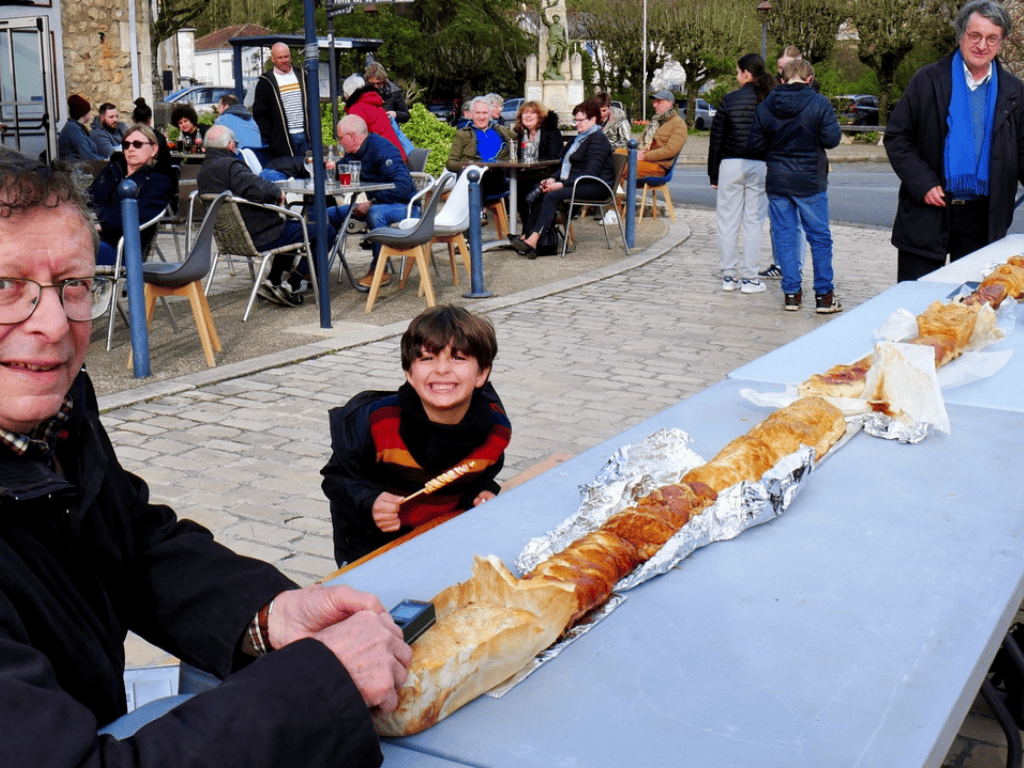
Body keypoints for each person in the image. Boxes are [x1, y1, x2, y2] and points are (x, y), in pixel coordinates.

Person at [0, 148, 411, 764]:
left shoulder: (53, 408)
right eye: (7, 286)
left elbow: (128, 541)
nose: (54, 324)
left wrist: (267, 614)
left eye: (74, 285)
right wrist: (322, 685)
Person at [322, 304, 512, 566]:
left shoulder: (495, 429)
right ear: (409, 373)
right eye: (427, 358)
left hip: (442, 536)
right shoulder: (375, 424)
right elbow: (337, 479)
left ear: (482, 374)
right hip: (372, 547)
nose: (442, 369)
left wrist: (479, 492)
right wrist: (369, 503)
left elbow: (484, 471)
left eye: (458, 358)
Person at [885, 0, 1024, 282]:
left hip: (984, 219)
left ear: (1001, 42)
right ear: (961, 34)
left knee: (972, 308)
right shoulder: (928, 79)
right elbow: (898, 136)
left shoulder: (1014, 90)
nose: (982, 45)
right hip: (928, 212)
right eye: (975, 36)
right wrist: (922, 182)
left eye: (991, 38)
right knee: (917, 306)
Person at [198, 124, 336, 306]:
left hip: (234, 238)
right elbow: (257, 186)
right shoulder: (231, 165)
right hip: (262, 235)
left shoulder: (203, 172)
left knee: (293, 225)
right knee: (326, 230)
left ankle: (273, 280)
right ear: (231, 145)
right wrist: (277, 194)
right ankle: (292, 285)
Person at [748, 58, 843, 313]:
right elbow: (832, 139)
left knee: (785, 236)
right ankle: (824, 296)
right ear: (809, 79)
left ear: (782, 79)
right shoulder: (819, 103)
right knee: (819, 238)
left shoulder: (766, 106)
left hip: (778, 179)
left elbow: (755, 144)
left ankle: (792, 293)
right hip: (811, 179)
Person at [510, 99, 615, 258]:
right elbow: (566, 164)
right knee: (541, 190)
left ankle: (534, 240)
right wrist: (552, 179)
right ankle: (529, 235)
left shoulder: (598, 140)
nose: (576, 124)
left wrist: (561, 185)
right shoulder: (579, 138)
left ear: (593, 120)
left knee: (552, 195)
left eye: (580, 120)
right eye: (575, 120)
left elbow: (591, 172)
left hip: (597, 186)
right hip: (579, 181)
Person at [709, 53, 775, 295]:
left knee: (727, 222)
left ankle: (729, 276)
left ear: (746, 74)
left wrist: (713, 174)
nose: (737, 77)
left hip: (730, 164)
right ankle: (749, 278)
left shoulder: (729, 100)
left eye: (738, 72)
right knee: (754, 223)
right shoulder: (768, 99)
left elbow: (716, 140)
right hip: (760, 165)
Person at [327, 115, 416, 288]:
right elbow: (339, 172)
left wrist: (373, 202)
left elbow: (403, 187)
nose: (339, 142)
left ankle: (380, 270)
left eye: (340, 138)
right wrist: (327, 171)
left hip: (406, 206)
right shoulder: (353, 153)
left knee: (375, 213)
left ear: (352, 136)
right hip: (376, 203)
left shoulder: (382, 149)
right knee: (328, 214)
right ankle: (316, 266)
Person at [87, 124, 176, 265]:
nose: (131, 149)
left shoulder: (159, 179)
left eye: (138, 144)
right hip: (92, 236)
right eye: (126, 145)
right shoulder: (111, 172)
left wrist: (101, 226)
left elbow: (140, 213)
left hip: (123, 248)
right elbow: (89, 199)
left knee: (71, 250)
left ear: (153, 149)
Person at [446, 96, 514, 201]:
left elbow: (518, 142)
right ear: (471, 114)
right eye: (477, 113)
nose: (481, 117)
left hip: (498, 176)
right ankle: (477, 215)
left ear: (490, 114)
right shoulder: (463, 134)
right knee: (476, 178)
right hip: (475, 178)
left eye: (485, 113)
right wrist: (470, 165)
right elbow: (450, 163)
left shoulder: (502, 131)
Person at [253, 42, 311, 159]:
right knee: (289, 172)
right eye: (280, 58)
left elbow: (312, 104)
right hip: (283, 139)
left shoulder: (302, 76)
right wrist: (272, 136)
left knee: (308, 171)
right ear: (273, 59)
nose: (284, 60)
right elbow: (260, 113)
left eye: (286, 56)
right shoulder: (266, 82)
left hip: (306, 136)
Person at [616, 89, 686, 183]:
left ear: (669, 103)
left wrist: (644, 156)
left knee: (621, 167)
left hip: (658, 166)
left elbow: (670, 151)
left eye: (658, 102)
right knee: (617, 155)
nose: (654, 105)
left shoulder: (678, 124)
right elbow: (640, 140)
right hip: (644, 159)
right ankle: (615, 195)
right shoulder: (655, 121)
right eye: (654, 102)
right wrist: (637, 151)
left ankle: (617, 197)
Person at [512, 100, 563, 223]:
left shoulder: (551, 132)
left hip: (549, 174)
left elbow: (554, 158)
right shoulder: (520, 135)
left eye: (532, 113)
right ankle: (526, 229)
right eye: (525, 113)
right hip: (526, 174)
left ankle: (534, 231)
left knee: (526, 187)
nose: (528, 116)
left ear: (540, 116)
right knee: (514, 185)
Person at [342, 74, 408, 161]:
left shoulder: (356, 108)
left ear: (347, 95)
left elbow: (354, 143)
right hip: (397, 157)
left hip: (386, 163)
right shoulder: (371, 103)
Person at [215, 93, 270, 165]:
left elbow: (214, 144)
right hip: (259, 162)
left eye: (219, 107)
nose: (217, 110)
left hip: (238, 163)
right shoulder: (252, 119)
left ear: (226, 107)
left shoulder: (221, 120)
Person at [58, 94, 105, 162]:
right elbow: (86, 154)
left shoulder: (76, 127)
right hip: (74, 168)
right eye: (88, 111)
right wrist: (104, 163)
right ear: (83, 113)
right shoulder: (72, 128)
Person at [131, 97, 172, 170]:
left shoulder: (130, 138)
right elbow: (167, 161)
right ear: (149, 119)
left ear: (134, 119)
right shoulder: (158, 137)